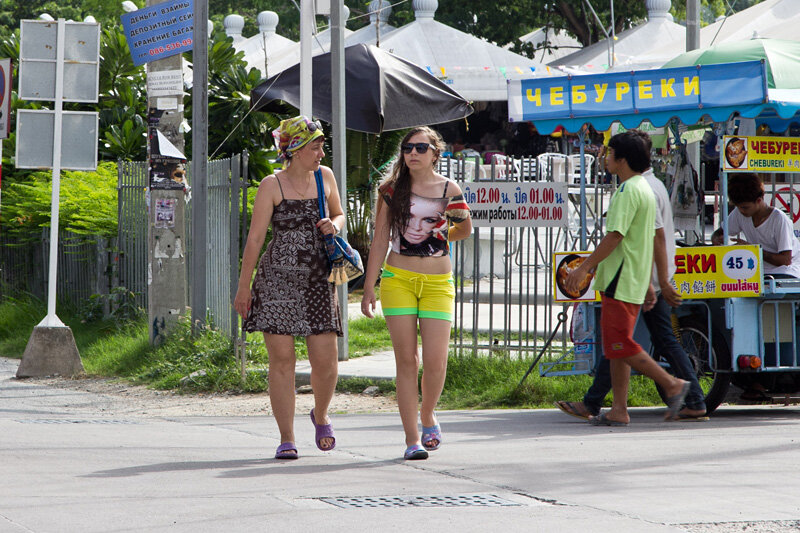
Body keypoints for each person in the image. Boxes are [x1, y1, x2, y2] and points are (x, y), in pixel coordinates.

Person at [556, 131, 707, 423]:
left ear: (622, 160)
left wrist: (584, 267)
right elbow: (651, 239)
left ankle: (672, 384)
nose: (605, 158)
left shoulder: (627, 192)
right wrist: (652, 283)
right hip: (634, 279)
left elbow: (615, 236)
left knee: (620, 345)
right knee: (616, 345)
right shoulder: (645, 188)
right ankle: (619, 410)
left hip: (620, 279)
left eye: (609, 153)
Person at [234, 116, 345, 460]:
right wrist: (244, 288)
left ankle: (321, 414)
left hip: (318, 281)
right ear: (295, 149)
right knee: (282, 361)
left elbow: (341, 215)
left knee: (325, 362)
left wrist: (335, 225)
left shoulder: (324, 177)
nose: (321, 152)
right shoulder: (272, 185)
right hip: (276, 283)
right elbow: (255, 239)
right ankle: (287, 437)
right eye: (316, 146)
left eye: (321, 145)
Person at [361, 126, 472, 460]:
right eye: (408, 147)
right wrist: (369, 285)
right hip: (398, 279)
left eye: (421, 148)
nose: (413, 153)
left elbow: (465, 228)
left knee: (436, 362)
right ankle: (412, 439)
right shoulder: (391, 190)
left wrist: (439, 235)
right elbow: (380, 238)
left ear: (435, 153)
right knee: (407, 361)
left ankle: (428, 415)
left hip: (438, 283)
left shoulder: (448, 189)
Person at [711, 172, 800, 278]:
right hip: (755, 272)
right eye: (738, 207)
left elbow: (785, 260)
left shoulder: (779, 219)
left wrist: (753, 250)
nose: (741, 211)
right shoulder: (739, 212)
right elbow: (720, 231)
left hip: (785, 273)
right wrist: (716, 238)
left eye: (745, 207)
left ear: (759, 200)